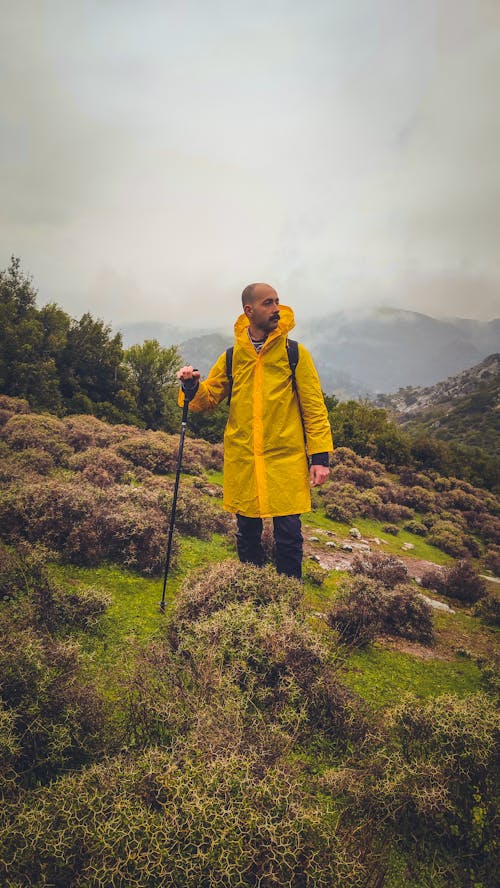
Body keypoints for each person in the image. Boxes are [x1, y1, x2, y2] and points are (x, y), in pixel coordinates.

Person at [177, 282, 333, 579]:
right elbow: (207, 399)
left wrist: (320, 458)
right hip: (244, 457)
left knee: (289, 535)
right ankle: (252, 590)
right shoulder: (233, 356)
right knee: (247, 532)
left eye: (277, 301)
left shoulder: (294, 354)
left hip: (284, 457)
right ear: (249, 311)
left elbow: (314, 408)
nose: (276, 308)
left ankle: (289, 602)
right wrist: (192, 386)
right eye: (267, 303)